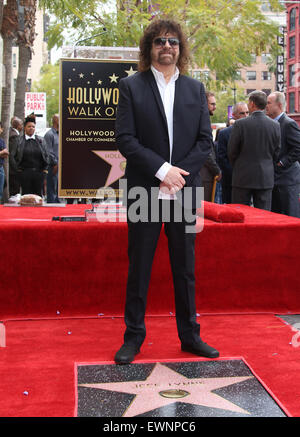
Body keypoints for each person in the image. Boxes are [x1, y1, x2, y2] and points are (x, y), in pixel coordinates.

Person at [114, 19, 219, 365]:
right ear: (149, 48)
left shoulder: (194, 89)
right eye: (160, 41)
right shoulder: (132, 87)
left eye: (173, 41)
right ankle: (133, 338)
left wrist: (178, 175)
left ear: (180, 48)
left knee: (184, 267)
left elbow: (205, 139)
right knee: (139, 266)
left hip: (184, 189)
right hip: (145, 188)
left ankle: (190, 336)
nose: (167, 46)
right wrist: (162, 170)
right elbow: (126, 139)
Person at [228, 90, 281, 210]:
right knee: (263, 216)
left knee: (240, 215)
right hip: (265, 177)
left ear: (252, 104)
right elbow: (276, 152)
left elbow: (231, 151)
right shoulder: (275, 125)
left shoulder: (240, 124)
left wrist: (238, 166)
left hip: (242, 177)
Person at [266, 92, 300, 218]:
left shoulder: (288, 123)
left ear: (279, 105)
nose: (266, 106)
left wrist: (282, 162)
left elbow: (298, 147)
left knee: (291, 216)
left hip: (288, 179)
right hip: (274, 180)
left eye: (269, 103)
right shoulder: (271, 123)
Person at [217, 102, 249, 203]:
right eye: (242, 113)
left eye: (247, 113)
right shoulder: (224, 134)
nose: (246, 116)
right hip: (231, 181)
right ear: (234, 115)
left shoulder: (254, 131)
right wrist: (236, 174)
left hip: (250, 180)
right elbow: (222, 158)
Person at [14, 116, 49, 197]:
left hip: (39, 173)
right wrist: (18, 170)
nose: (31, 128)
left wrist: (45, 171)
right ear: (25, 127)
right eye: (29, 126)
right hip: (24, 173)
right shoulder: (19, 140)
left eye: (33, 127)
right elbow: (13, 156)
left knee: (38, 197)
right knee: (26, 197)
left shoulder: (41, 140)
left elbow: (46, 155)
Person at [199, 91, 222, 202]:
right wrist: (216, 170)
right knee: (203, 213)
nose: (215, 107)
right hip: (203, 176)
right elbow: (205, 150)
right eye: (212, 104)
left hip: (202, 175)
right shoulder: (202, 121)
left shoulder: (199, 119)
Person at [44, 114, 60, 203]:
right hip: (52, 167)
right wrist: (55, 164)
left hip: (60, 166)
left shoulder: (60, 134)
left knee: (58, 189)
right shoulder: (49, 134)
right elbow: (48, 152)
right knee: (52, 189)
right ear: (56, 121)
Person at [9, 116, 23, 197]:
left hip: (13, 169)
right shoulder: (14, 136)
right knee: (14, 193)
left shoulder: (12, 133)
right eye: (21, 124)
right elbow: (12, 154)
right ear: (18, 126)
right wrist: (16, 168)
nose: (22, 126)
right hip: (13, 171)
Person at [0, 121, 9, 202]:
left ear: (2, 129)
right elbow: (3, 153)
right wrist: (1, 153)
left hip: (0, 168)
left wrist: (2, 153)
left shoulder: (2, 141)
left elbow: (6, 154)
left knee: (0, 191)